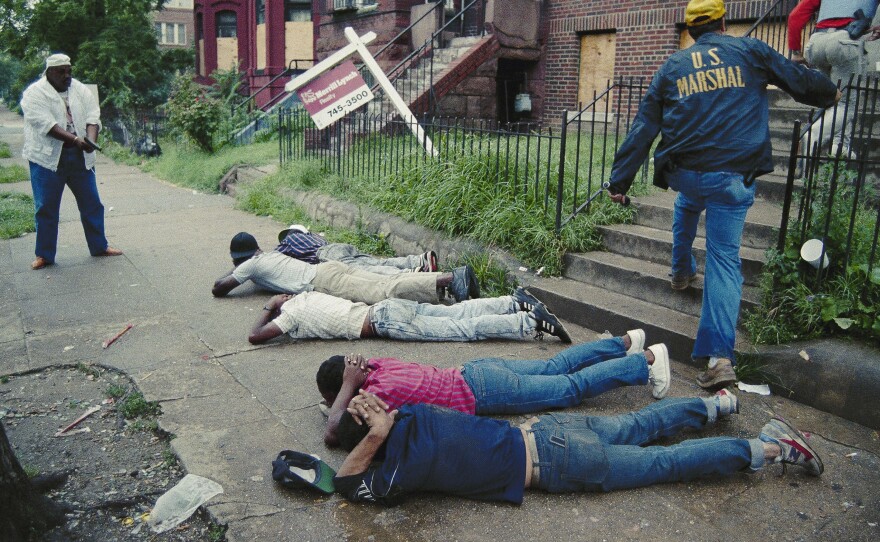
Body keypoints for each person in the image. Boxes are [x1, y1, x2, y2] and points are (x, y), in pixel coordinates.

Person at [606, 0, 840, 390]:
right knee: (724, 258)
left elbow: (644, 126)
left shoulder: (672, 67)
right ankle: (718, 360)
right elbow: (796, 79)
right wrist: (829, 92)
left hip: (687, 173)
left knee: (686, 203)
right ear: (723, 22)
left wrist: (619, 182)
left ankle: (681, 271)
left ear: (691, 29)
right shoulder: (749, 50)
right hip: (732, 176)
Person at [329, 392, 822, 505]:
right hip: (545, 430)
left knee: (662, 462)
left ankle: (769, 450)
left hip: (556, 460)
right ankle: (717, 404)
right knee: (638, 423)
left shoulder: (407, 465)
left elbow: (349, 484)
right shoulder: (415, 411)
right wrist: (379, 421)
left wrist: (372, 437)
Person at [317, 325, 674, 447]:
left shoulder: (375, 397)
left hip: (480, 391)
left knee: (568, 388)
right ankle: (626, 342)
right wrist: (350, 380)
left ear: (345, 392)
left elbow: (333, 434)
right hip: (475, 372)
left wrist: (344, 390)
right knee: (555, 366)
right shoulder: (378, 367)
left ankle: (647, 362)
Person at [20, 53, 123, 270]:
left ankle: (99, 246)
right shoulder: (34, 93)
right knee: (46, 207)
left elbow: (93, 116)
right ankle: (44, 255)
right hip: (47, 159)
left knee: (92, 203)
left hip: (79, 157)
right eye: (61, 71)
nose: (67, 75)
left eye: (69, 70)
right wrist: (77, 140)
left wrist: (90, 141)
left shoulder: (79, 89)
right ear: (49, 72)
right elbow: (46, 125)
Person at [212, 232, 478, 304]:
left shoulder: (250, 266)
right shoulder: (267, 256)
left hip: (323, 280)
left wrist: (238, 267)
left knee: (382, 290)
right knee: (381, 275)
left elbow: (219, 289)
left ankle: (452, 278)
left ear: (240, 259)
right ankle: (444, 282)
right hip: (329, 268)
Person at [247, 288, 572, 345]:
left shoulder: (291, 314)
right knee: (454, 312)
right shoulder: (306, 297)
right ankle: (512, 302)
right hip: (384, 308)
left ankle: (529, 322)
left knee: (460, 329)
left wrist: (270, 306)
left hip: (384, 323)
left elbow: (255, 337)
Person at [788, 0, 880, 159]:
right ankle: (813, 134)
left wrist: (796, 51)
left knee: (830, 98)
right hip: (844, 41)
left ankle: (840, 145)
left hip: (816, 43)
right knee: (847, 103)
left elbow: (795, 16)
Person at [276, 224, 438, 275]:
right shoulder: (313, 236)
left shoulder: (290, 239)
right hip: (337, 247)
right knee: (376, 262)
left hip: (325, 254)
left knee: (363, 270)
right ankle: (418, 260)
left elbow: (273, 257)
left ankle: (409, 274)